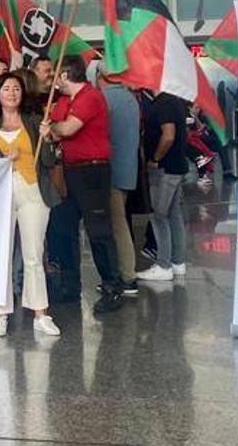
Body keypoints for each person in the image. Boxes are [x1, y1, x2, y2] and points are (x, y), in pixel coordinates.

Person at [0, 73, 62, 338]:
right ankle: (0, 313)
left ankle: (40, 313)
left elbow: (48, 162)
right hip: (0, 195)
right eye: (6, 88)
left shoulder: (34, 122)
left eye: (16, 89)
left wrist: (49, 138)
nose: (11, 93)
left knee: (34, 254)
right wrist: (1, 160)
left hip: (33, 191)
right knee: (2, 255)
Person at [42, 56, 124, 314]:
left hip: (92, 170)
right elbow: (55, 127)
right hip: (69, 170)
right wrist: (53, 128)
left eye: (56, 76)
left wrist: (52, 128)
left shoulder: (90, 97)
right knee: (63, 228)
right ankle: (70, 285)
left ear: (65, 75)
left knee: (98, 230)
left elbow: (66, 129)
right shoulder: (66, 100)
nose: (54, 81)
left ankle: (112, 286)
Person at [136, 91, 190, 282]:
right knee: (173, 214)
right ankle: (178, 262)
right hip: (175, 167)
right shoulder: (173, 101)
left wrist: (155, 158)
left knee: (158, 216)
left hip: (165, 169)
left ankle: (164, 264)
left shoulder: (165, 103)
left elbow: (168, 136)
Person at [98, 67, 140, 295]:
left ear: (99, 76)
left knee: (117, 224)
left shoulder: (103, 100)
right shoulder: (130, 99)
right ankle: (123, 273)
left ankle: (127, 276)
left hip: (110, 171)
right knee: (119, 222)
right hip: (128, 170)